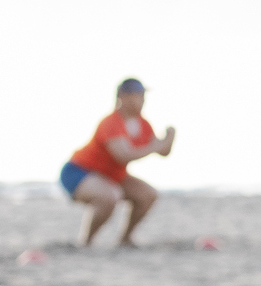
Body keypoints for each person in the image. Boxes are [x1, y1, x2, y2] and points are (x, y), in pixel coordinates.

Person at [61, 77, 176, 248]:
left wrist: (170, 137)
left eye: (143, 95)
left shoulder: (143, 124)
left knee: (148, 195)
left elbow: (163, 152)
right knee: (110, 196)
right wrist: (154, 146)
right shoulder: (111, 122)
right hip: (79, 171)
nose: (142, 99)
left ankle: (125, 239)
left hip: (112, 175)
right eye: (138, 94)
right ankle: (86, 241)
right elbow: (122, 155)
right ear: (123, 97)